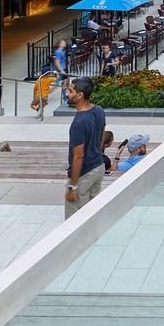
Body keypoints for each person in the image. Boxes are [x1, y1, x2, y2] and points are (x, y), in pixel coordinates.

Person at [64, 76, 106, 219]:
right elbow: (101, 137)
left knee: (75, 220)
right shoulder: (99, 110)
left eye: (70, 90)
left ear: (80, 95)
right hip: (98, 167)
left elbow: (78, 157)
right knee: (93, 215)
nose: (66, 93)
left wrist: (72, 187)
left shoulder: (78, 123)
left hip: (84, 175)